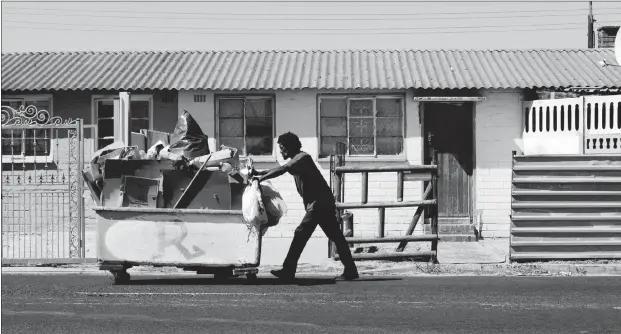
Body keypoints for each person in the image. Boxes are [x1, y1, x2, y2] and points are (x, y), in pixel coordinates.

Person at [251, 132, 359, 281]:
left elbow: (281, 170)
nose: (281, 151)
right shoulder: (297, 159)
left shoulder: (302, 158)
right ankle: (351, 270)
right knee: (336, 236)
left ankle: (288, 270)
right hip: (321, 203)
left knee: (301, 233)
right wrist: (259, 173)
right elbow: (281, 168)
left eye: (282, 148)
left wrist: (261, 178)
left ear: (290, 147)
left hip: (319, 204)